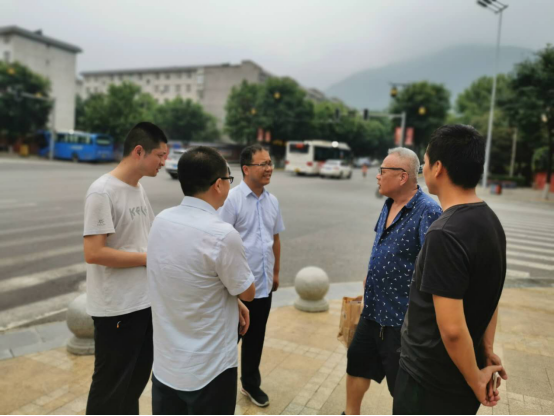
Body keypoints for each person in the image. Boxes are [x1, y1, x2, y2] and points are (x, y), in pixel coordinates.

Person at [395, 125, 508, 415]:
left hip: (430, 383)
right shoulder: (490, 221)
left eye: (425, 162)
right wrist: (485, 351)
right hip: (461, 380)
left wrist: (476, 379)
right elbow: (490, 295)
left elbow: (453, 330)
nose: (423, 169)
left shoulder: (444, 233)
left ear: (438, 168)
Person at [148, 146, 256, 415]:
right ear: (218, 184)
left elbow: (182, 276)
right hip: (210, 371)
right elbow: (248, 292)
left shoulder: (161, 220)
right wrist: (238, 299)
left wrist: (232, 302)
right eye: (229, 180)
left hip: (166, 367)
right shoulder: (222, 234)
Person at [344, 148, 442, 416]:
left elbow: (433, 267)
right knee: (357, 363)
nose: (377, 176)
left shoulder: (428, 211)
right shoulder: (388, 203)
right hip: (372, 310)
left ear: (402, 177)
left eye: (382, 171)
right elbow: (381, 243)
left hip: (401, 321)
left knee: (402, 387)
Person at [84, 122, 168, 415]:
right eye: (160, 155)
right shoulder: (102, 191)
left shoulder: (138, 189)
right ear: (139, 151)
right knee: (109, 389)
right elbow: (94, 252)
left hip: (143, 303)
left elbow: (149, 236)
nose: (164, 162)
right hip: (116, 309)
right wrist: (147, 259)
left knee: (133, 386)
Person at [219, 144, 285, 408]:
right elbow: (219, 242)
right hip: (237, 289)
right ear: (246, 168)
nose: (269, 168)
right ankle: (219, 389)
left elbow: (274, 239)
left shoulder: (273, 201)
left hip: (263, 285)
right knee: (228, 340)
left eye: (270, 163)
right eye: (263, 164)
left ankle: (250, 383)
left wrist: (275, 273)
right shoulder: (231, 200)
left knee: (256, 338)